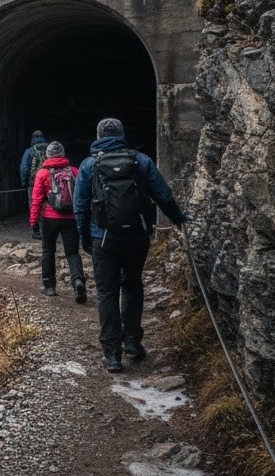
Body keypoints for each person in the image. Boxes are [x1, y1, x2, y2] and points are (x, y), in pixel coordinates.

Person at [74, 117, 189, 373]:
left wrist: (84, 236)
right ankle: (134, 343)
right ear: (122, 134)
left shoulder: (89, 165)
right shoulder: (141, 160)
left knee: (106, 292)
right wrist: (178, 219)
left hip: (102, 237)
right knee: (133, 285)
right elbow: (162, 194)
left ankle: (112, 354)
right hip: (137, 237)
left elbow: (80, 205)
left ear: (98, 135)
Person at [29, 141, 87, 303]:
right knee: (73, 252)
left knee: (48, 251)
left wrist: (34, 222)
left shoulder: (43, 173)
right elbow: (82, 197)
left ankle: (49, 286)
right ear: (63, 154)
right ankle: (78, 281)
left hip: (50, 218)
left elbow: (36, 201)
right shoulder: (75, 171)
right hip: (71, 219)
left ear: (48, 155)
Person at [20, 130, 49, 239]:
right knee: (48, 205)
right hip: (48, 181)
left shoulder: (29, 151)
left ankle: (36, 231)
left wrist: (24, 183)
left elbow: (24, 168)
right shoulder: (49, 149)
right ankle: (48, 229)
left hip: (34, 182)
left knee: (34, 206)